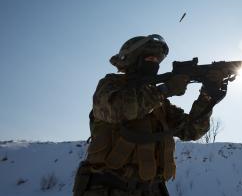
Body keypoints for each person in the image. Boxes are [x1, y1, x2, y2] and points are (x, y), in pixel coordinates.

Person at [73, 34, 227, 196]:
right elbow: (121, 108)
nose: (154, 64)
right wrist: (165, 90)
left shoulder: (161, 105)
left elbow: (192, 130)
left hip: (152, 188)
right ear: (132, 60)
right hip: (107, 186)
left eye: (156, 60)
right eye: (149, 58)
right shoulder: (110, 85)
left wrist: (207, 95)